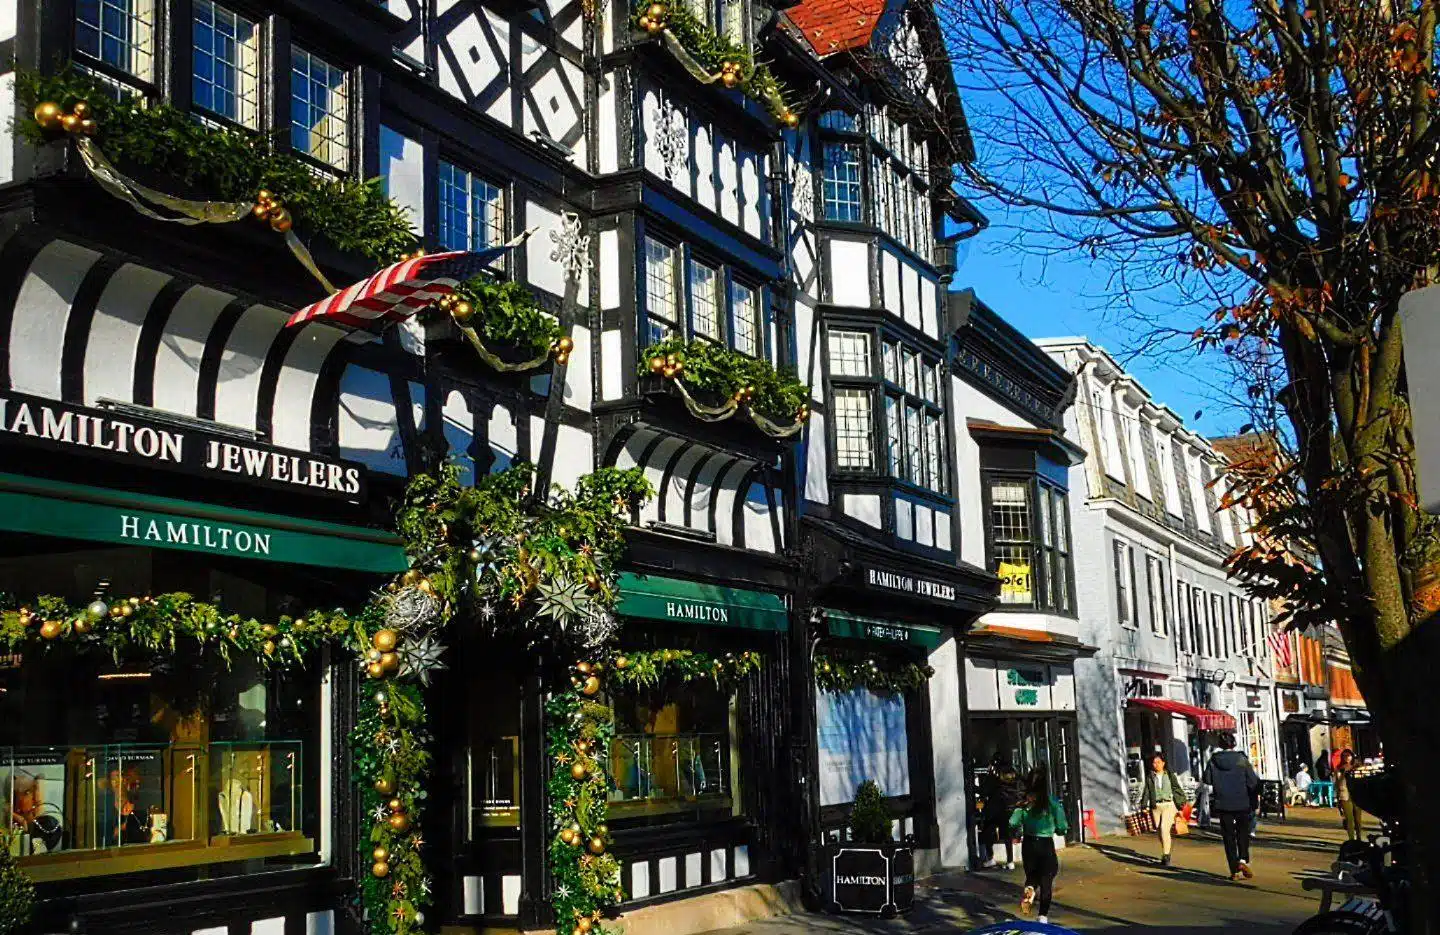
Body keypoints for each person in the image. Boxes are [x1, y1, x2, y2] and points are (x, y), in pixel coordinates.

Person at [1009, 767, 1068, 924]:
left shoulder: (1024, 803)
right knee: (1047, 877)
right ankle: (1042, 916)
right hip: (1045, 844)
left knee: (1032, 875)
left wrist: (1020, 814)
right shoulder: (1051, 802)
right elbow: (1062, 826)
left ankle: (1030, 888)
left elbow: (1012, 822)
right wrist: (1059, 830)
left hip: (1028, 844)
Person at [1202, 732, 1259, 881]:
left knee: (1228, 837)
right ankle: (1243, 859)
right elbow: (1252, 781)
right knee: (1243, 833)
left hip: (1223, 803)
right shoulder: (1241, 759)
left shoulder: (1213, 760)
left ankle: (1234, 869)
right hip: (1242, 802)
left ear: (1220, 744)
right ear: (1233, 743)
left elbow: (1207, 779)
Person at [1138, 753, 1187, 866]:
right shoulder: (1150, 776)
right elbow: (1147, 791)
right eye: (1154, 762)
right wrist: (1144, 806)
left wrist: (1180, 805)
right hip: (1156, 806)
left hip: (1169, 804)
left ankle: (1166, 855)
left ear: (1163, 763)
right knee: (1159, 830)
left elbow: (1176, 788)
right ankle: (1166, 848)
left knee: (1164, 828)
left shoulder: (1169, 775)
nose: (1156, 764)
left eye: (1158, 762)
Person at [980, 759, 1022, 870]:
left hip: (995, 812)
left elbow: (985, 790)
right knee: (1007, 837)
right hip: (1007, 811)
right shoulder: (1014, 782)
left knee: (988, 834)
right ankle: (1010, 861)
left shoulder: (996, 782)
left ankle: (991, 858)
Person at [1336, 749, 1361, 841]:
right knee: (1349, 819)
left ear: (1352, 756)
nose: (1346, 758)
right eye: (1344, 756)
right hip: (1345, 794)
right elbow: (1337, 783)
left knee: (1358, 819)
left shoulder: (1357, 767)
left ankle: (1359, 838)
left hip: (1356, 794)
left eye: (1348, 755)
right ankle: (1351, 840)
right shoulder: (1339, 768)